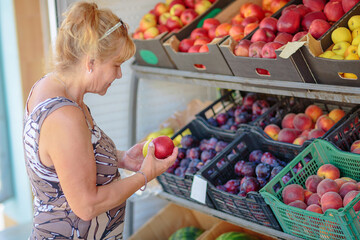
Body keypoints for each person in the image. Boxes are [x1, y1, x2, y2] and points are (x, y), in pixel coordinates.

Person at [23, 2, 178, 239]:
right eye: (116, 65)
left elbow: (69, 158)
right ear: (91, 61)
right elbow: (87, 206)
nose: (119, 74)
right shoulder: (65, 117)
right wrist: (144, 176)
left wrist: (123, 158)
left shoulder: (57, 89)